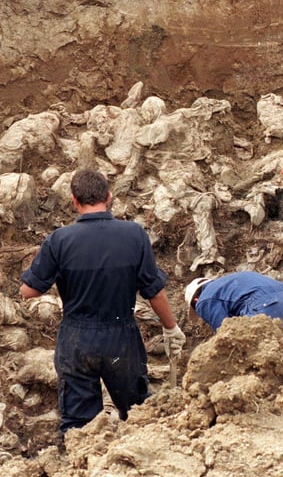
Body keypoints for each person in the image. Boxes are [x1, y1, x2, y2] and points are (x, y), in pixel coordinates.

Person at [19, 169, 185, 434]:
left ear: (74, 200)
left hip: (76, 338)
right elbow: (154, 290)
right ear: (109, 197)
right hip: (122, 337)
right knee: (139, 413)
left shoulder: (59, 240)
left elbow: (29, 291)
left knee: (78, 426)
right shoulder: (134, 234)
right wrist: (170, 328)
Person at [185, 271, 283, 378]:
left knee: (253, 356)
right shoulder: (236, 280)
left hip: (268, 308)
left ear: (195, 300)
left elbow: (226, 337)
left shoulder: (204, 299)